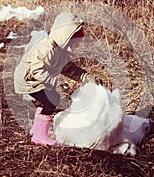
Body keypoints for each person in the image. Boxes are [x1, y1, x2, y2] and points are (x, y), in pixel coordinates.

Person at [14, 12, 102, 145]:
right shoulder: (46, 49)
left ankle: (37, 129)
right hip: (28, 80)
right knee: (52, 99)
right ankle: (38, 136)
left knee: (50, 99)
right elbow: (36, 70)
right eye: (74, 42)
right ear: (65, 36)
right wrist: (55, 82)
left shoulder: (61, 52)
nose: (76, 46)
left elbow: (69, 69)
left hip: (38, 79)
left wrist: (85, 76)